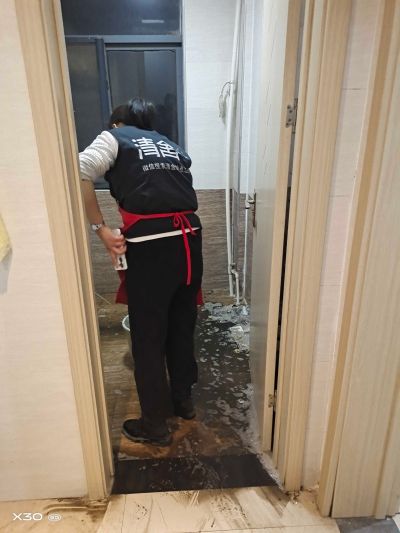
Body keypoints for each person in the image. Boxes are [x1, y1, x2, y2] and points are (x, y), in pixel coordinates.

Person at [79, 97, 203, 446]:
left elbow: (79, 169)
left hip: (151, 246)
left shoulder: (115, 137)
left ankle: (155, 425)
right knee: (181, 325)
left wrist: (100, 229)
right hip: (190, 241)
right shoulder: (171, 145)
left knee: (148, 336)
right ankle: (183, 401)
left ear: (117, 123)